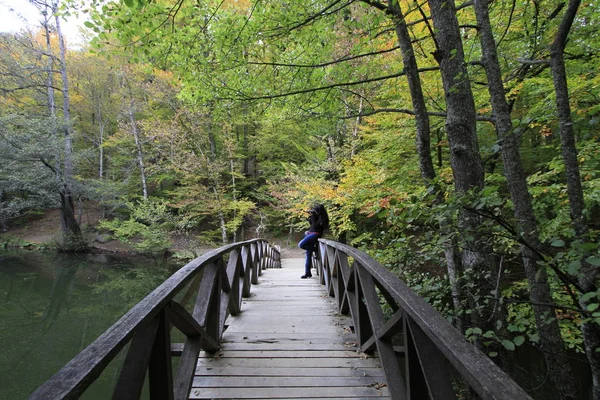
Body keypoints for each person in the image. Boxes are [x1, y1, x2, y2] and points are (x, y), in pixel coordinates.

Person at [298, 204, 329, 279]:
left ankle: (316, 249)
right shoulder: (316, 216)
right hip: (310, 233)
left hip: (315, 234)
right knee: (308, 254)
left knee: (301, 245)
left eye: (316, 210)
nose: (314, 211)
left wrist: (314, 216)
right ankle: (307, 273)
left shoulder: (323, 219)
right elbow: (312, 225)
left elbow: (316, 226)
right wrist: (312, 216)